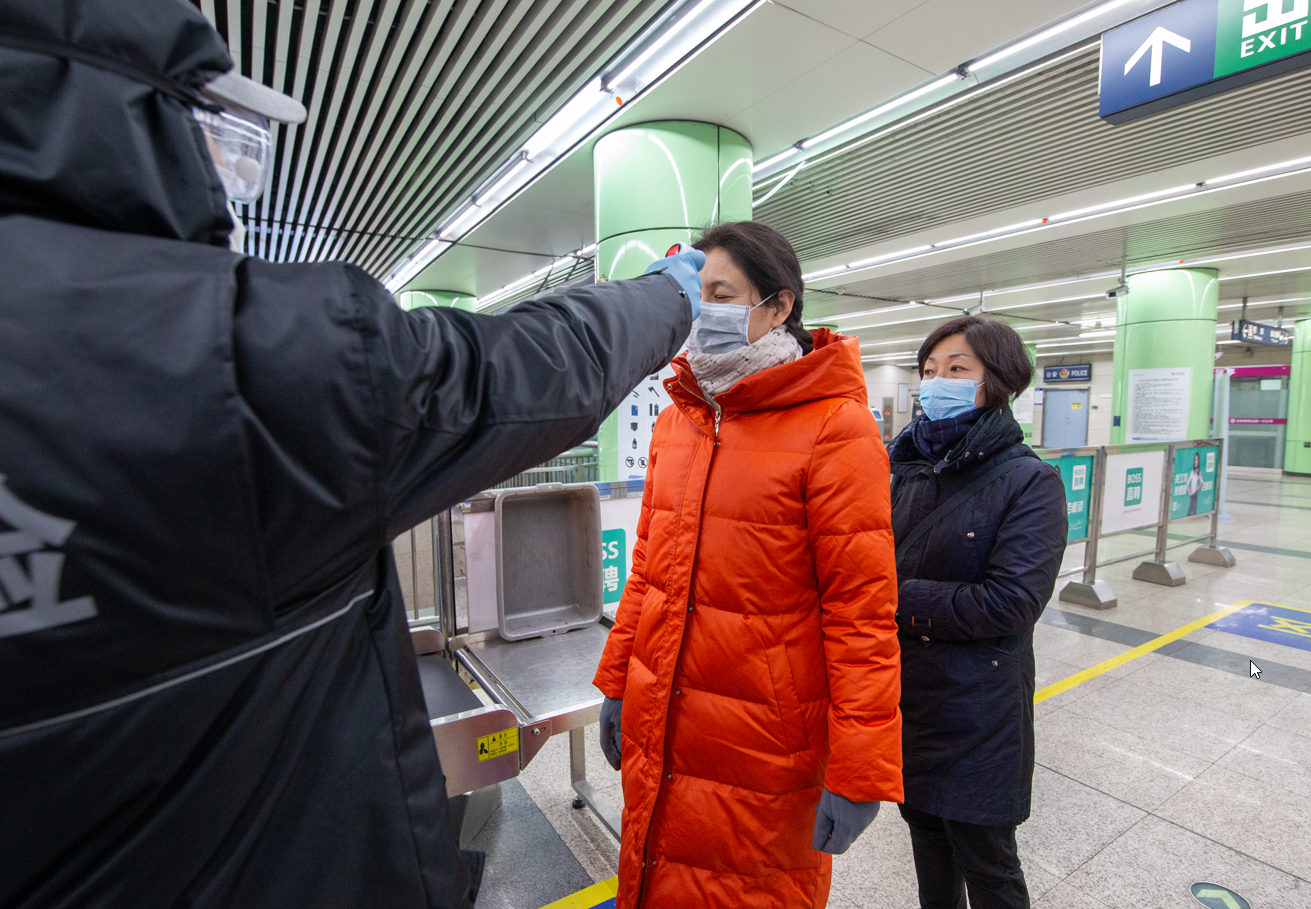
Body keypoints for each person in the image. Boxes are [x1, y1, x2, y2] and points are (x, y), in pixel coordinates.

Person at [0, 2, 702, 907]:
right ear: (134, 118)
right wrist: (667, 297)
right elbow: (524, 371)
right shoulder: (240, 351)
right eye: (215, 132)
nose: (225, 170)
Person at [593, 221, 903, 908]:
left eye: (719, 292)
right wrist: (617, 680)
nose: (698, 309)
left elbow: (861, 613)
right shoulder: (682, 414)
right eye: (692, 291)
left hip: (763, 743)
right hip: (663, 713)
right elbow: (646, 569)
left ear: (778, 306)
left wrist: (860, 770)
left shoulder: (833, 426)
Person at [887, 316, 1068, 909]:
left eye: (957, 370)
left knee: (988, 864)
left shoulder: (1029, 482)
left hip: (978, 714)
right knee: (928, 847)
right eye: (930, 371)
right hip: (908, 702)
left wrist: (890, 595)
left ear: (998, 383)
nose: (937, 382)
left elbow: (1011, 602)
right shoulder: (904, 468)